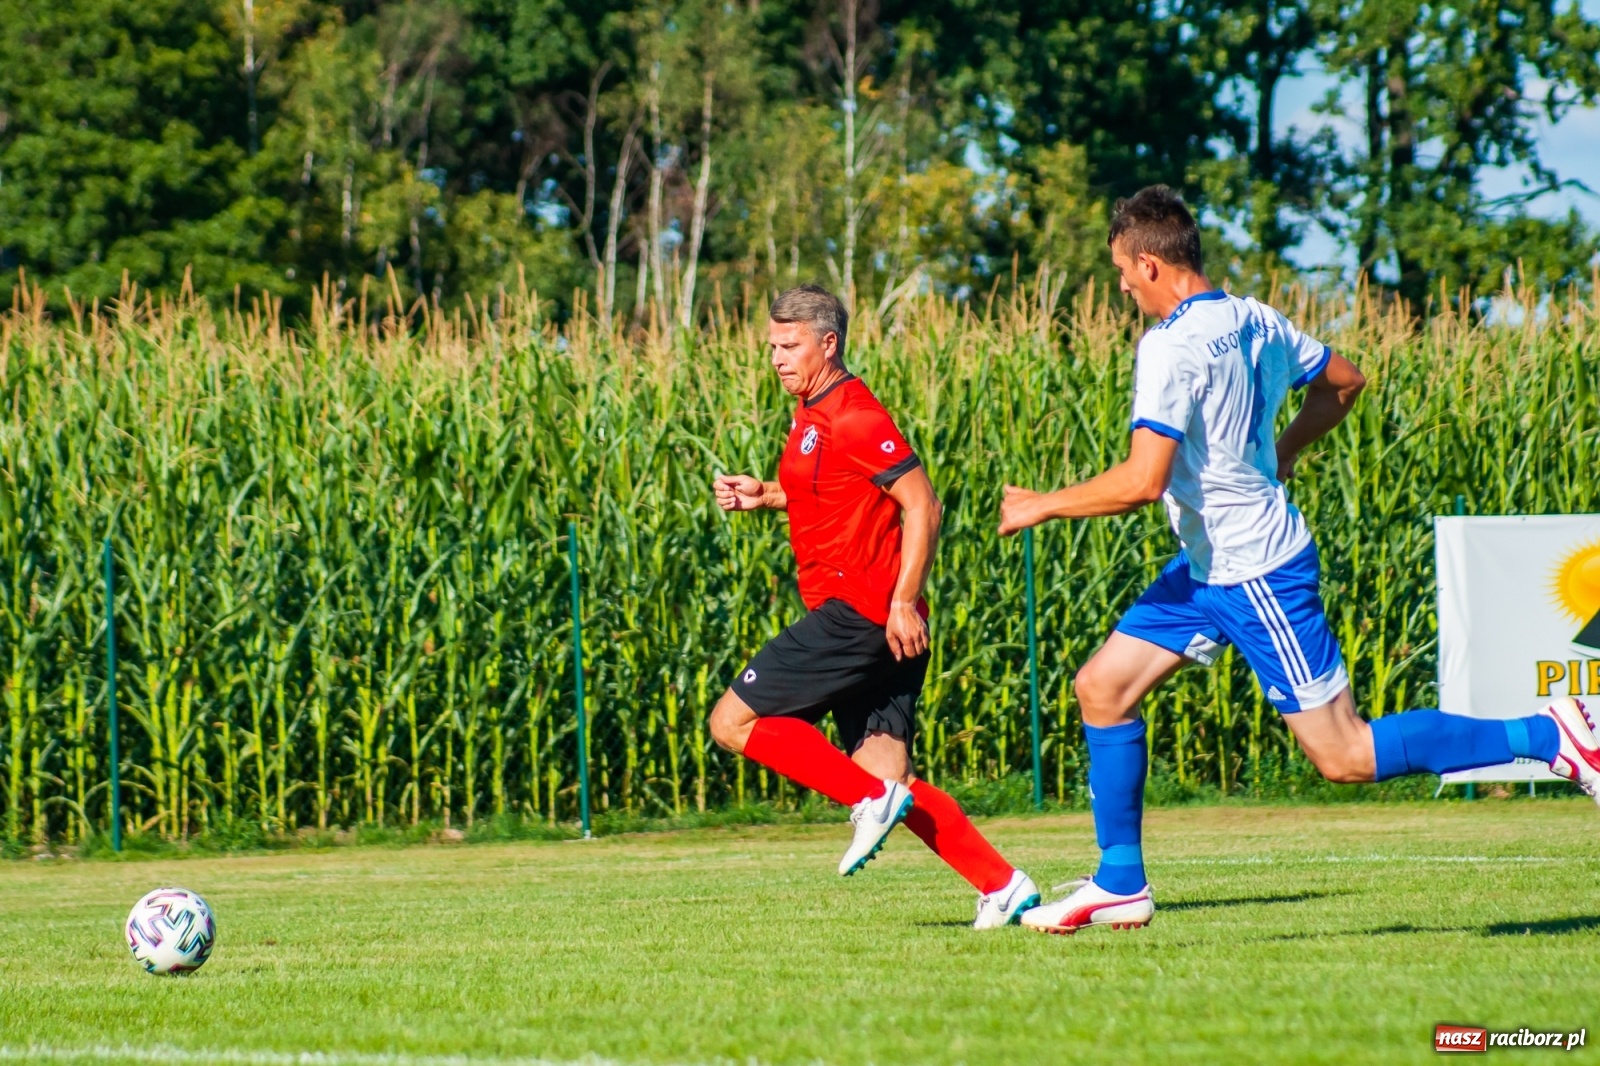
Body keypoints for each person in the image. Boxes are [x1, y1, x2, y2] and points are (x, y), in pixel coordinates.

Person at [998, 186, 1600, 936]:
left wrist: (1040, 504)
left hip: (1254, 571)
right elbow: (1345, 382)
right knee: (1103, 688)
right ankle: (1120, 884)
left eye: (1122, 271)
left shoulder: (1169, 345)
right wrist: (1283, 451)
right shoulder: (1256, 318)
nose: (1121, 287)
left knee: (1345, 755)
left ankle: (1554, 734)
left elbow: (1141, 483)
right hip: (1207, 568)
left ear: (1149, 264)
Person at [710, 283, 1041, 929]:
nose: (776, 358)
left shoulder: (855, 415)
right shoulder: (810, 412)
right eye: (772, 346)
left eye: (790, 346)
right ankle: (1002, 885)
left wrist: (903, 602)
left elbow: (924, 505)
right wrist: (766, 495)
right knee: (894, 781)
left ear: (828, 343)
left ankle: (867, 800)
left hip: (863, 613)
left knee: (732, 722)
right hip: (879, 624)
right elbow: (837, 492)